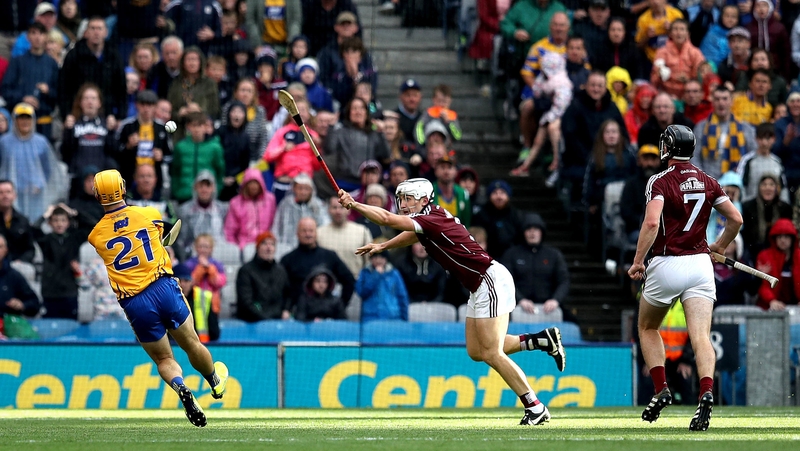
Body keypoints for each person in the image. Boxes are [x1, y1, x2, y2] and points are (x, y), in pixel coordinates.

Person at [338, 178, 566, 426]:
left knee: (492, 352)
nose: (403, 204)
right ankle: (540, 340)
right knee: (476, 352)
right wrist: (384, 245)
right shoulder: (428, 218)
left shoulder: (430, 219)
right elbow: (412, 236)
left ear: (424, 200)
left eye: (408, 199)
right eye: (401, 198)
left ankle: (535, 406)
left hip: (489, 280)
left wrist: (354, 205)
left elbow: (386, 219)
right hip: (479, 285)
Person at [88, 169, 229, 427]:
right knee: (192, 345)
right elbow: (159, 236)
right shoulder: (148, 214)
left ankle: (181, 388)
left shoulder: (95, 236)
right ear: (122, 187)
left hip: (135, 302)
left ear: (97, 195)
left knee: (164, 359)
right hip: (163, 287)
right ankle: (215, 383)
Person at [627, 124, 743, 431]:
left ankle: (661, 387)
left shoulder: (660, 180)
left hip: (667, 263)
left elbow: (652, 223)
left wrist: (638, 261)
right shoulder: (708, 180)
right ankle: (706, 392)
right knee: (701, 336)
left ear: (666, 148)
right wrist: (719, 245)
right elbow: (736, 219)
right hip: (701, 266)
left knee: (647, 326)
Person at [501, 213, 570, 317]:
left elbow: (564, 281)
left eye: (536, 229)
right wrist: (520, 299)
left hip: (548, 307)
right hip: (516, 307)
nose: (532, 233)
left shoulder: (554, 255)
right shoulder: (511, 254)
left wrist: (555, 300)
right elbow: (505, 281)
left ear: (542, 232)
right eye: (528, 229)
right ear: (523, 232)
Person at [33, 204, 87, 320]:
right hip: (50, 292)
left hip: (70, 292)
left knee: (71, 329)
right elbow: (34, 229)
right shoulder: (46, 240)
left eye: (63, 220)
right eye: (55, 220)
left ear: (68, 223)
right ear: (50, 223)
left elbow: (92, 225)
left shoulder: (74, 239)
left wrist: (74, 213)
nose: (59, 224)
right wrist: (45, 215)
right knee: (50, 328)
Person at [236, 231, 292, 322]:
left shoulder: (281, 271)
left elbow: (288, 295)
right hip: (253, 322)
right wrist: (263, 316)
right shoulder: (246, 271)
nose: (269, 248)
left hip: (278, 320)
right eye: (264, 243)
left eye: (272, 244)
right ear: (257, 247)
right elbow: (248, 302)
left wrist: (286, 310)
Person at [317, 196, 373, 279]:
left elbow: (369, 263)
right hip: (326, 286)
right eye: (334, 207)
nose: (338, 211)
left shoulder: (362, 232)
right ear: (328, 210)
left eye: (341, 207)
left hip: (355, 284)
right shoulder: (319, 233)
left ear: (348, 209)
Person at [754, 218, 800, 310]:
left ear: (792, 239)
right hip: (770, 307)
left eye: (786, 237)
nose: (783, 240)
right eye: (779, 237)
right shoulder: (764, 256)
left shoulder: (798, 256)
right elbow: (763, 285)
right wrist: (771, 300)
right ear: (774, 239)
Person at [356, 249, 409, 321]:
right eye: (375, 257)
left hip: (393, 318)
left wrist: (404, 319)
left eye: (381, 257)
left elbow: (402, 297)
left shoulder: (394, 274)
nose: (378, 260)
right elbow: (361, 292)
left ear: (386, 259)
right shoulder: (364, 273)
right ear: (371, 259)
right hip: (370, 318)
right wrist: (375, 275)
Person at [174, 263, 220, 343]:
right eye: (179, 280)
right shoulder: (164, 300)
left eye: (186, 280)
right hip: (174, 347)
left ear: (191, 282)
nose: (183, 284)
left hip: (201, 346)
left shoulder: (204, 297)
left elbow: (214, 332)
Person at [0, 234, 40, 319]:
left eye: (0, 247)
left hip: (9, 325)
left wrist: (22, 305)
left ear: (6, 250)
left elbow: (35, 303)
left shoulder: (13, 276)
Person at [0, 180, 36, 263]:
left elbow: (30, 249)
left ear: (14, 195)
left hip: (18, 266)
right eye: (1, 192)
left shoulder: (23, 221)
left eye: (8, 192)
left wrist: (21, 261)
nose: (5, 196)